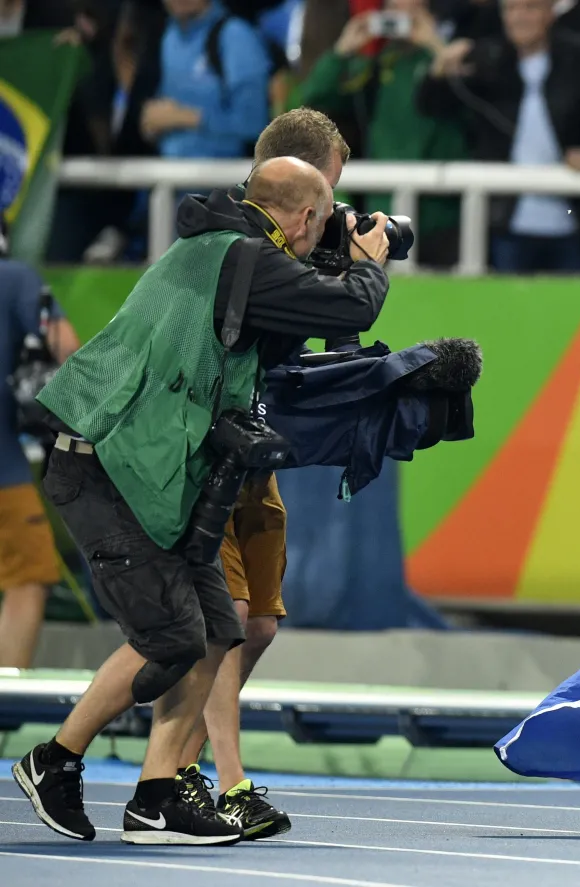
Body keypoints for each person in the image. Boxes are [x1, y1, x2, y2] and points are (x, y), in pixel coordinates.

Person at [10, 156, 392, 846]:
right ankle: (54, 758)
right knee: (175, 636)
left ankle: (157, 798)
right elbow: (354, 309)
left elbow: (278, 338)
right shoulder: (244, 254)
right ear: (305, 217)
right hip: (106, 462)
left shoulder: (223, 248)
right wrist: (366, 260)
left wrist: (332, 262)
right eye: (325, 218)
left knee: (221, 630)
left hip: (144, 465)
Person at [172, 107, 351, 841]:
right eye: (328, 197)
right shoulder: (234, 240)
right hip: (203, 450)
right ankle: (218, 774)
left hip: (250, 443)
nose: (333, 214)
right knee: (226, 623)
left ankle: (184, 758)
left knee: (262, 623)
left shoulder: (290, 247)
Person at [0, 238, 79, 668]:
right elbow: (65, 348)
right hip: (3, 471)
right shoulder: (15, 279)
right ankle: (5, 695)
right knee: (28, 578)